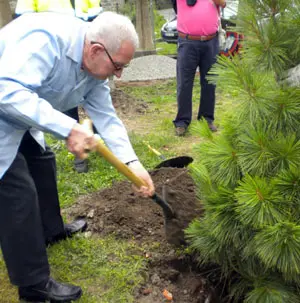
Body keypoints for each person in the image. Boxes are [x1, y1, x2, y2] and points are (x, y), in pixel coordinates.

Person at [0, 11, 155, 302]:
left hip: (23, 117)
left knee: (43, 164)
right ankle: (33, 285)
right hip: (3, 108)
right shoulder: (45, 40)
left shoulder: (94, 66)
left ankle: (50, 232)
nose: (119, 74)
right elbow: (6, 90)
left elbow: (107, 119)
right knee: (16, 194)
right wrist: (68, 128)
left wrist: (134, 164)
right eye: (118, 66)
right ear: (96, 50)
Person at [15, 0, 103, 173]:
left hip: (87, 52)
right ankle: (79, 152)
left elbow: (97, 17)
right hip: (52, 56)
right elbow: (22, 21)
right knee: (67, 110)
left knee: (97, 102)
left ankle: (98, 142)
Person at [172, 0, 226, 136]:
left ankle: (206, 119)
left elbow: (223, 3)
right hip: (187, 41)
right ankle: (182, 122)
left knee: (210, 82)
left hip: (210, 41)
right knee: (184, 83)